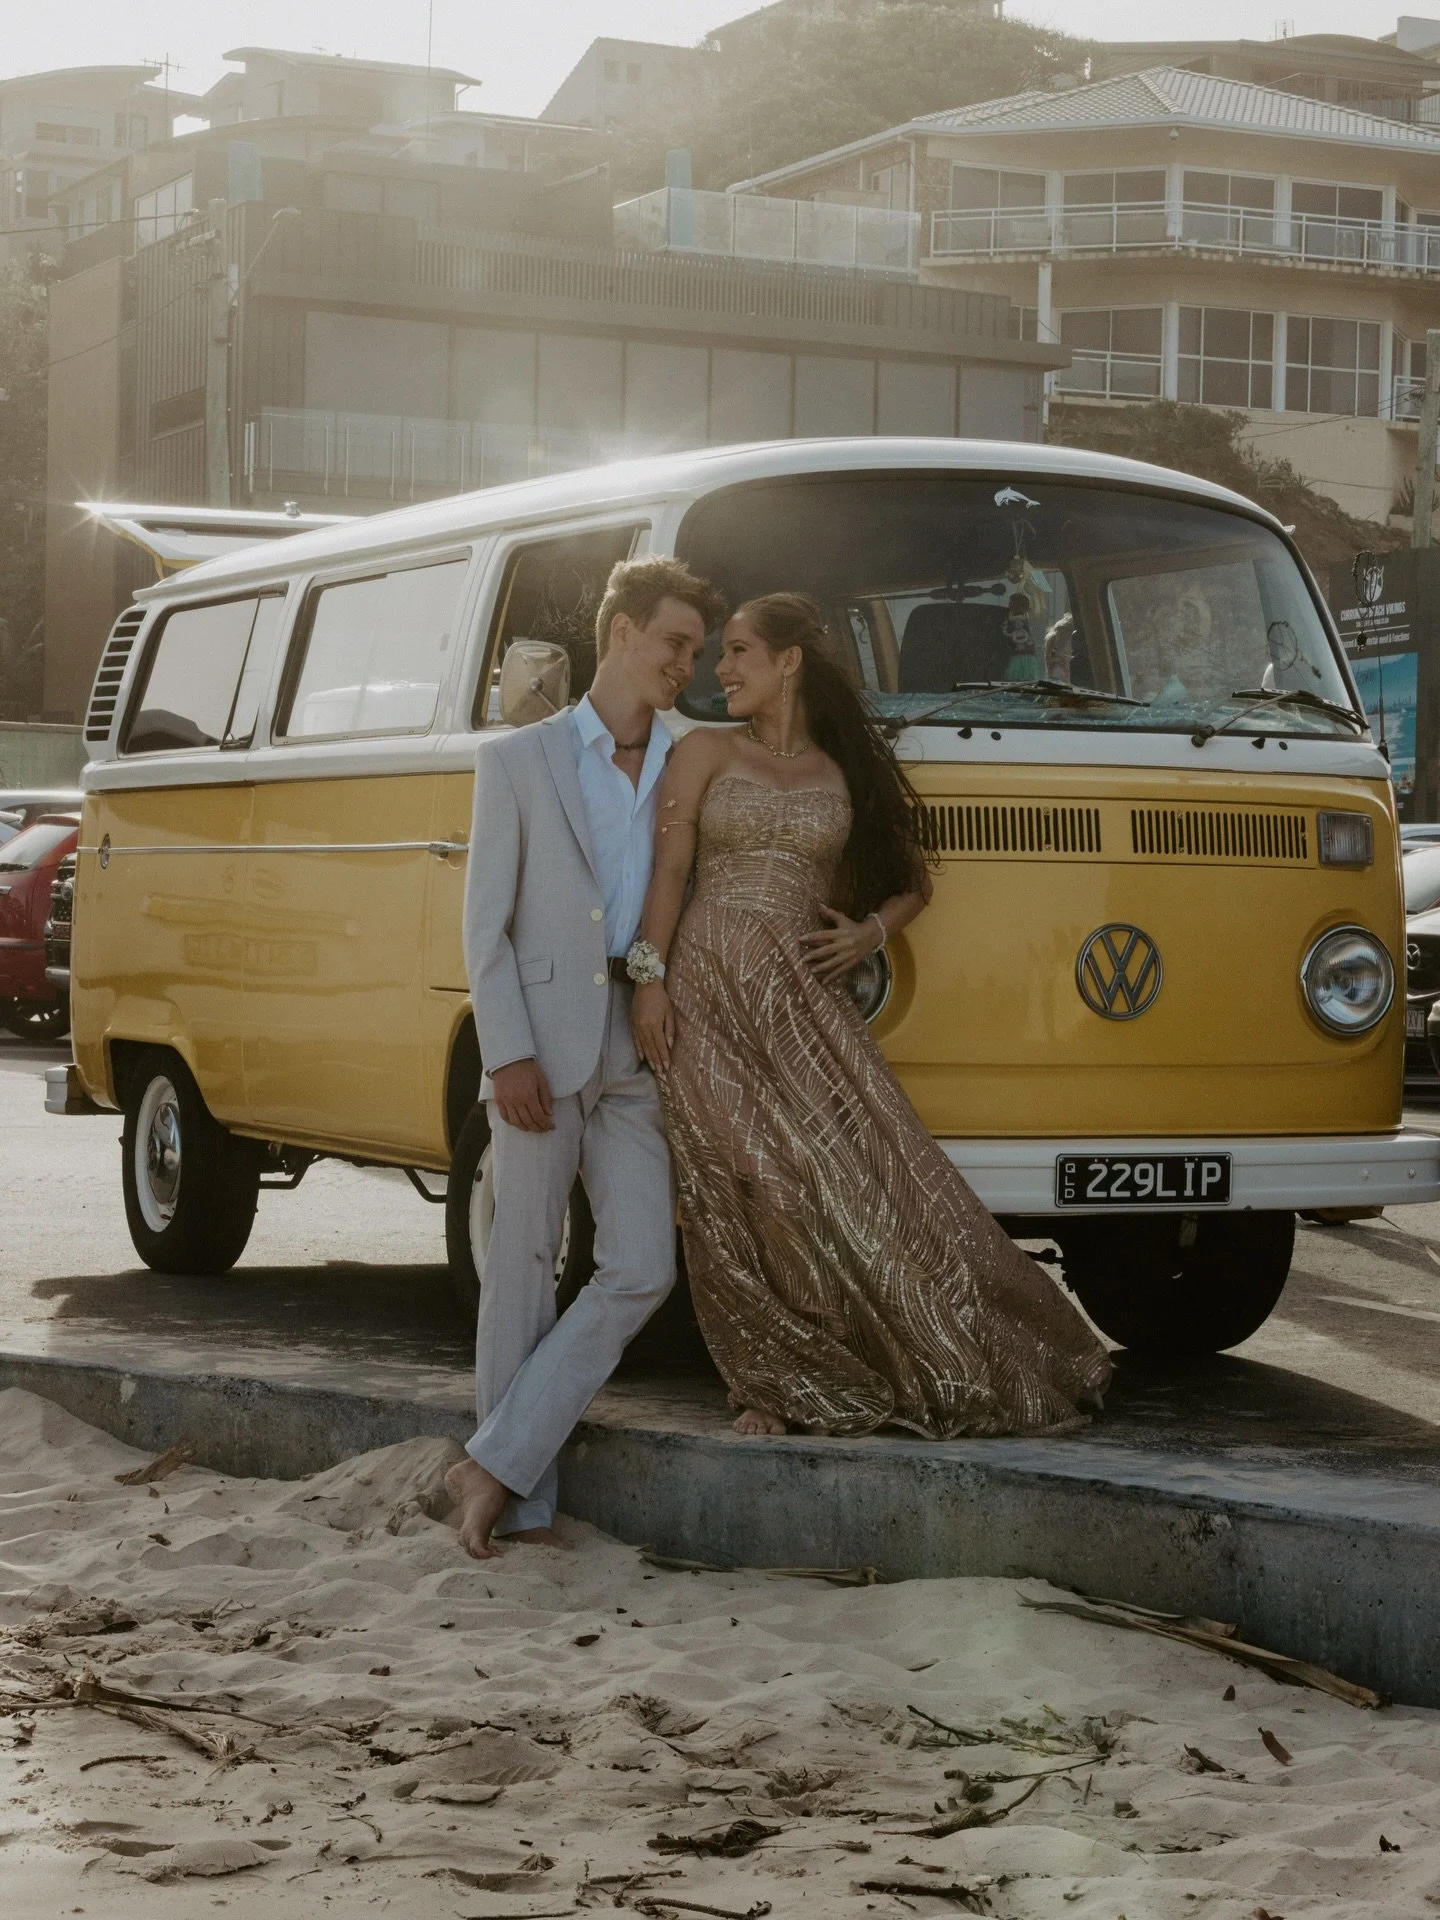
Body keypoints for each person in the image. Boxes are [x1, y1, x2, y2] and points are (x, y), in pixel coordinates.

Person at [628, 593, 1112, 1439]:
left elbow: (914, 881)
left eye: (739, 651)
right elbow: (669, 875)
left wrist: (868, 933)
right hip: (705, 990)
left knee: (862, 1183)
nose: (722, 670)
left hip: (803, 1003)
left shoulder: (842, 768)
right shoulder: (702, 750)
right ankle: (771, 1382)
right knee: (748, 1178)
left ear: (789, 662)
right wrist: (650, 981)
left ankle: (874, 1354)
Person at [445, 557, 727, 1558]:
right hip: (542, 1038)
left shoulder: (692, 757)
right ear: (621, 632)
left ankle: (493, 1457)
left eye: (697, 651)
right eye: (674, 644)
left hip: (639, 1036)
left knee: (643, 1264)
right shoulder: (517, 760)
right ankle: (519, 1507)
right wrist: (506, 1052)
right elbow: (486, 927)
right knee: (521, 1264)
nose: (687, 665)